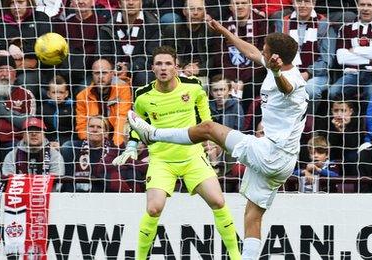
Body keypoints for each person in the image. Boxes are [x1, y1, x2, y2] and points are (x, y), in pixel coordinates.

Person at [127, 21, 306, 259]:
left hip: (271, 152)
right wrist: (224, 32)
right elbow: (251, 51)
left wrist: (274, 73)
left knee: (209, 128)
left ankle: (154, 134)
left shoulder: (291, 80)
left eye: (265, 49)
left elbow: (286, 88)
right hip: (283, 161)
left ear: (276, 59)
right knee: (253, 217)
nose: (260, 51)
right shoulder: (281, 65)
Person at [115, 45, 241, 260]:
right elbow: (138, 124)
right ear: (152, 68)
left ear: (176, 67)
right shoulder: (143, 95)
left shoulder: (193, 87)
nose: (163, 68)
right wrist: (132, 146)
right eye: (159, 64)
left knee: (218, 201)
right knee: (154, 209)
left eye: (168, 64)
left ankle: (236, 256)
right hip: (162, 160)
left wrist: (209, 138)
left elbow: (206, 119)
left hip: (192, 156)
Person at [275, 0, 335, 114]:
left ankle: (307, 125)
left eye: (307, 1)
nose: (302, 5)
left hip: (317, 75)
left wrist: (308, 73)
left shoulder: (324, 24)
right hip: (288, 72)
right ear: (293, 3)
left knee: (310, 90)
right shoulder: (283, 23)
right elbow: (277, 53)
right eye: (298, 1)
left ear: (314, 3)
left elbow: (328, 59)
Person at [328, 0, 372, 101]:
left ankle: (369, 117)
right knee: (334, 91)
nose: (365, 9)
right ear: (357, 6)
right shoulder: (346, 28)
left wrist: (355, 50)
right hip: (352, 73)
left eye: (369, 5)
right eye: (362, 5)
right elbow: (341, 58)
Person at [75, 58, 133, 147]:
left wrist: (115, 146)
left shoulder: (122, 89)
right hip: (93, 141)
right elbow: (81, 125)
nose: (100, 76)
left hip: (116, 140)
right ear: (92, 75)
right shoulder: (82, 96)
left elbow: (122, 118)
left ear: (112, 73)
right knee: (67, 147)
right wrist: (91, 142)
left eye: (104, 72)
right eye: (97, 73)